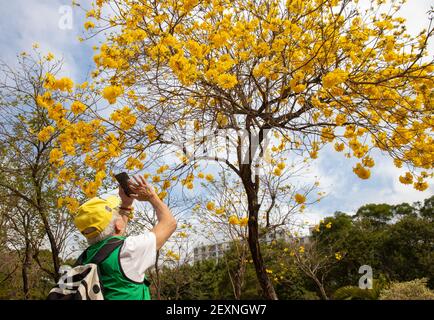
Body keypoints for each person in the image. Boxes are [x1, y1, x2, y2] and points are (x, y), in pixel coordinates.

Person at [73, 175, 177, 300]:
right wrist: (151, 196)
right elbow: (169, 223)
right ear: (117, 224)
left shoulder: (87, 257)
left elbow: (114, 241)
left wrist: (126, 205)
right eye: (116, 213)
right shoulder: (129, 250)